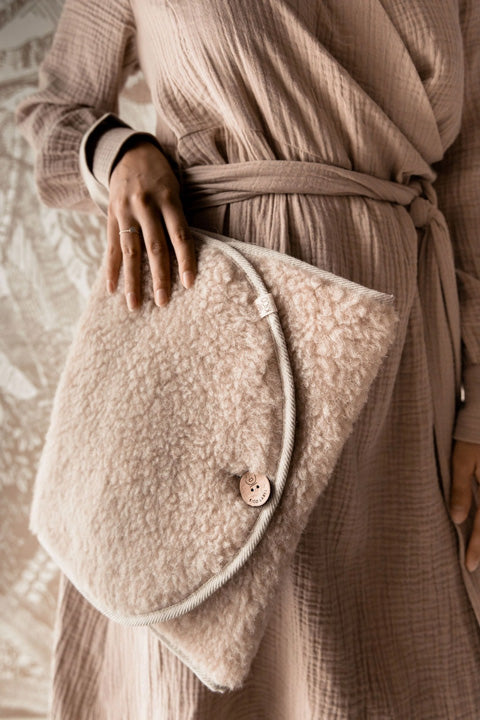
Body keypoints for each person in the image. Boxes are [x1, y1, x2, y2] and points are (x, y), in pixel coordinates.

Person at [15, 0, 480, 717]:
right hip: (215, 323)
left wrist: (477, 403)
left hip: (401, 353)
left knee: (365, 659)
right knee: (195, 637)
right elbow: (56, 113)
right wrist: (118, 152)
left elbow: (472, 181)